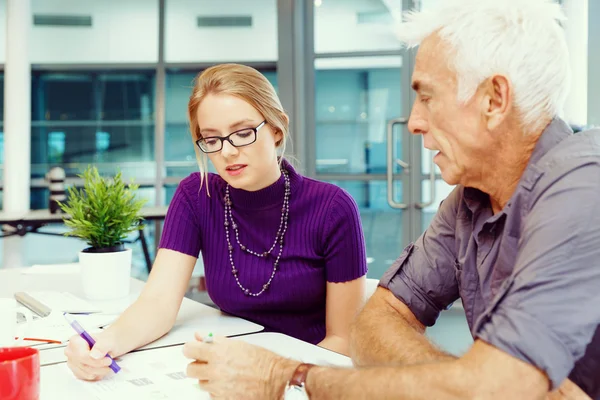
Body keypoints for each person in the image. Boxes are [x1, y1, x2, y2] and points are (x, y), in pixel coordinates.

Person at [181, 1, 600, 399]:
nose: (414, 121)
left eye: (427, 96)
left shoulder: (584, 187)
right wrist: (464, 383)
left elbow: (492, 390)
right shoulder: (469, 200)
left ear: (494, 100)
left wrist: (288, 375)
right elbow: (375, 322)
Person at [64, 63, 368, 381]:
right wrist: (102, 345)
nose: (228, 152)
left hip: (310, 376)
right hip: (231, 372)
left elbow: (343, 342)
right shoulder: (197, 196)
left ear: (277, 129)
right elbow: (158, 302)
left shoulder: (332, 208)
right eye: (212, 139)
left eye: (243, 133)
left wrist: (273, 376)